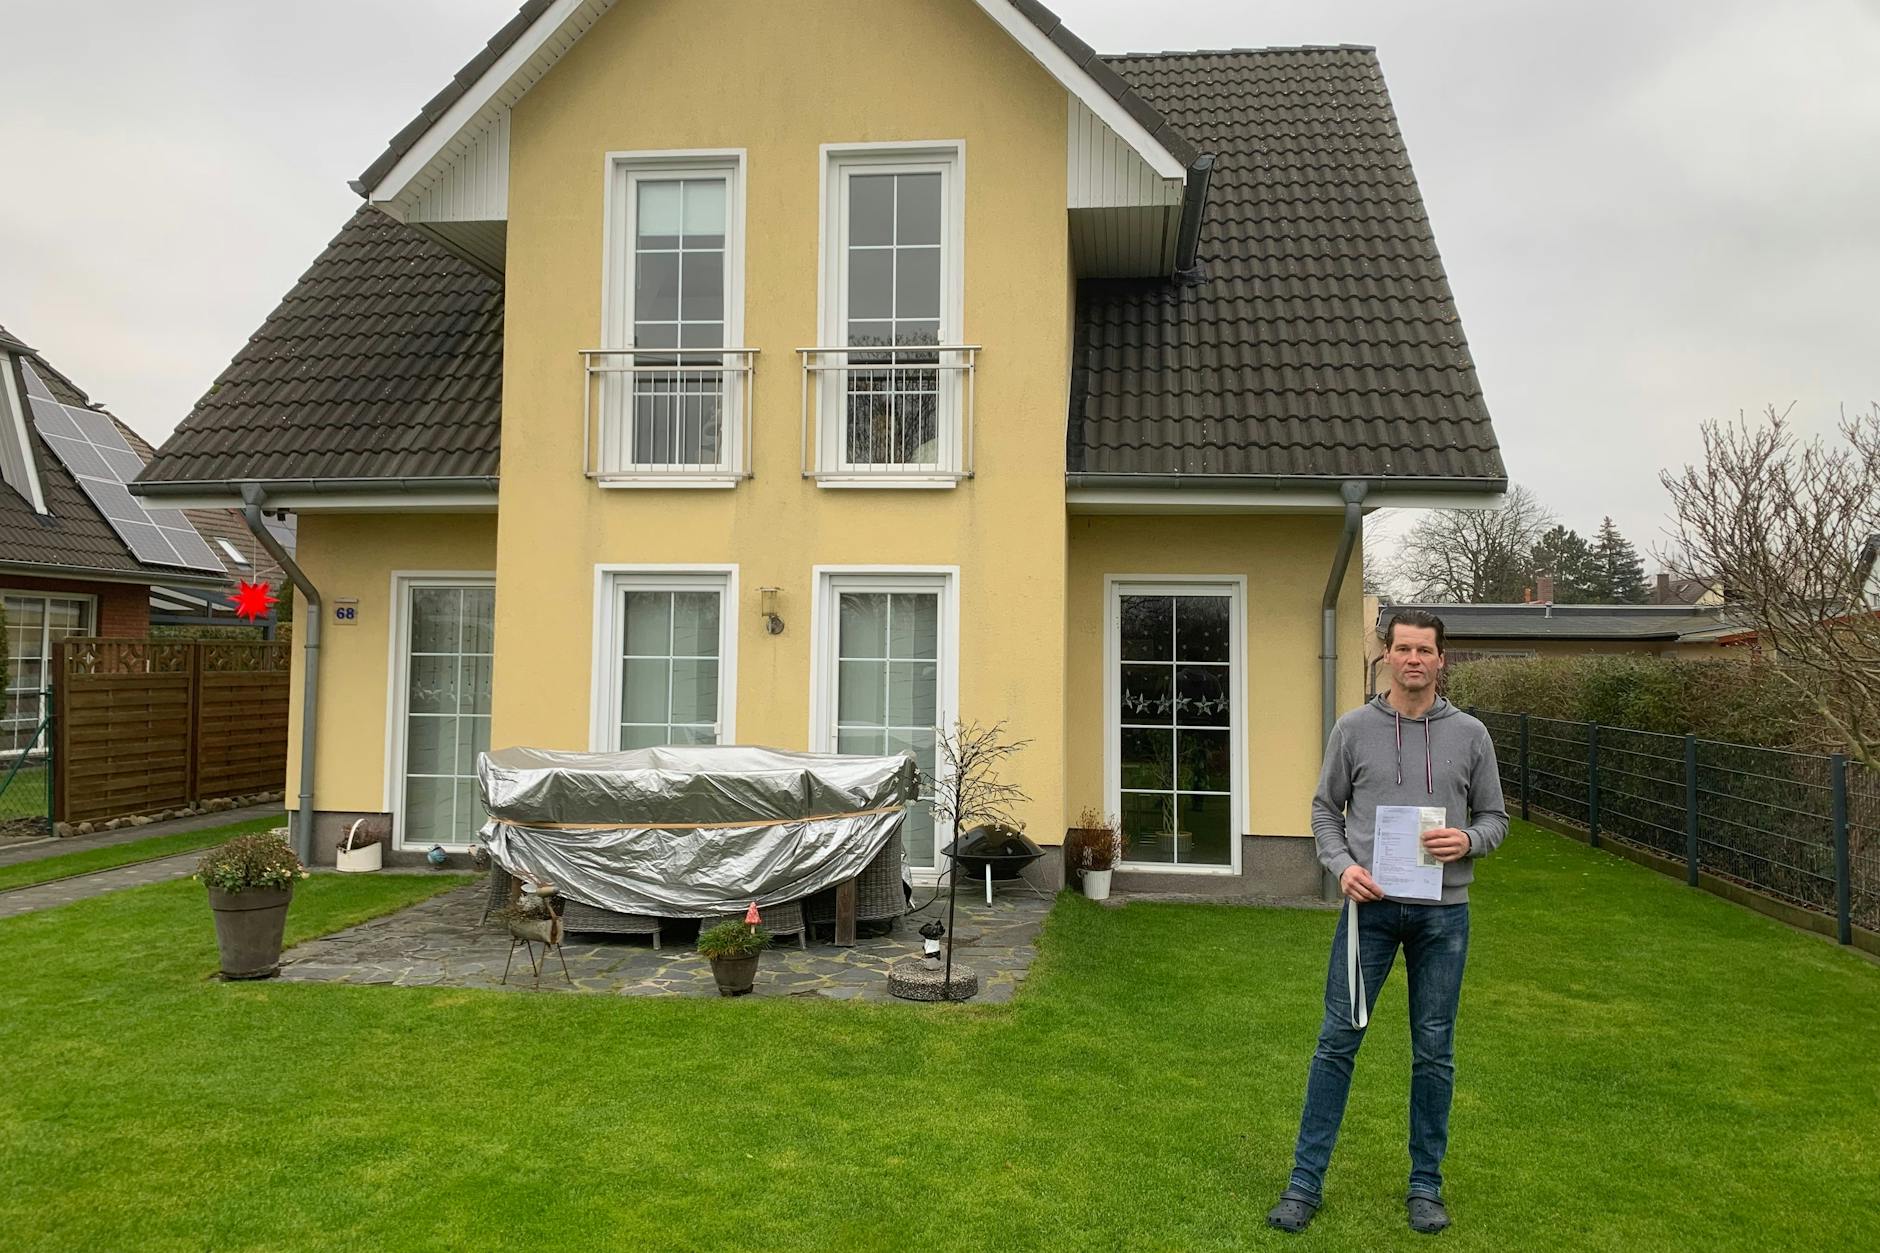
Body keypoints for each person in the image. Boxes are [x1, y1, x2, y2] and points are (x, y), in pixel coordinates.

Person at [1266, 609, 1508, 1236]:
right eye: (1403, 648)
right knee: (1336, 1044)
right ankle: (1303, 1184)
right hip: (1366, 911)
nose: (1414, 660)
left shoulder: (1472, 736)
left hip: (1443, 916)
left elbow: (1496, 819)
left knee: (1434, 1052)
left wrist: (1471, 841)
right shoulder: (1353, 729)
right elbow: (1324, 810)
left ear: (1441, 660)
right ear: (1386, 655)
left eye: (1425, 650)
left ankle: (1425, 1187)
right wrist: (1340, 867)